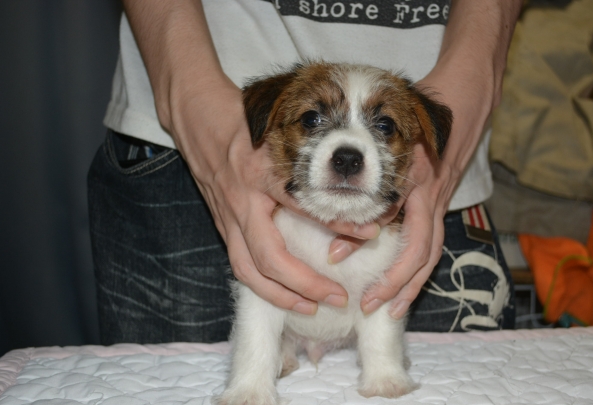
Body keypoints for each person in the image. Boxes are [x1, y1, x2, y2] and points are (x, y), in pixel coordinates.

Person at [88, 0, 522, 345]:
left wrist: (466, 99)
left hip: (436, 172)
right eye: (313, 120)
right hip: (187, 147)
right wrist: (191, 98)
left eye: (384, 126)